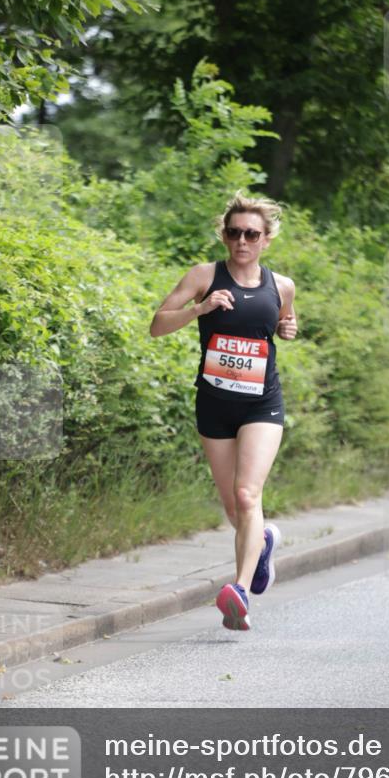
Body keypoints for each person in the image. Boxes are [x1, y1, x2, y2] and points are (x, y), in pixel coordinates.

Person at [149, 190, 298, 631]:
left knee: (248, 494)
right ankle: (263, 542)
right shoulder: (204, 276)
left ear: (266, 239)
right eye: (234, 233)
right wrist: (201, 308)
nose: (242, 241)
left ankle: (239, 592)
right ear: (224, 236)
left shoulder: (281, 285)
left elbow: (284, 322)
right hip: (214, 403)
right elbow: (157, 325)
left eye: (251, 234)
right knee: (234, 508)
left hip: (262, 403)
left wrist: (287, 329)